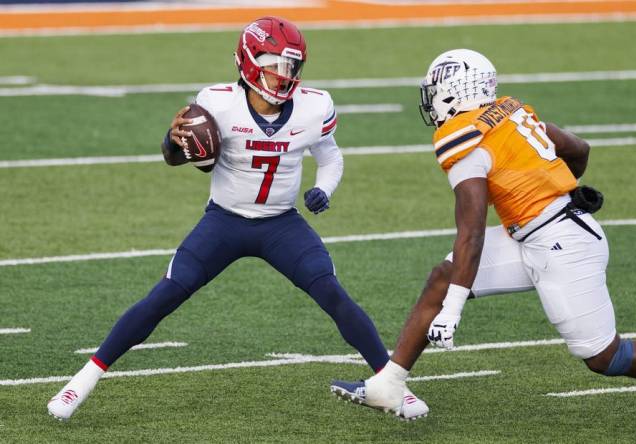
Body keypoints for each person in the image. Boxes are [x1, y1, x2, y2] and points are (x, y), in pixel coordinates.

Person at [330, 49, 636, 437]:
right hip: (537, 232)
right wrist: (562, 187)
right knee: (443, 276)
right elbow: (578, 148)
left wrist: (453, 310)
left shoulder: (463, 136)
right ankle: (390, 382)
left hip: (564, 244)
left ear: (454, 91)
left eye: (435, 92)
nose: (433, 101)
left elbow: (471, 230)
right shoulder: (510, 111)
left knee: (603, 357)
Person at [47, 16, 427, 421]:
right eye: (275, 64)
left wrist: (324, 188)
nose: (284, 76)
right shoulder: (216, 102)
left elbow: (330, 155)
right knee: (165, 295)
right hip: (224, 222)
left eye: (291, 66)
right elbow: (184, 158)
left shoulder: (314, 106)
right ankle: (79, 383)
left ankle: (393, 387)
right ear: (248, 61)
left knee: (332, 294)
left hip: (282, 224)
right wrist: (171, 142)